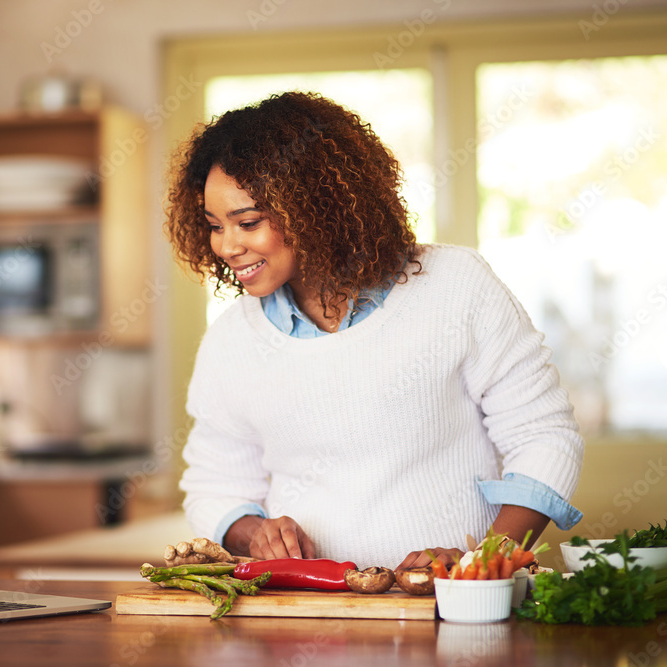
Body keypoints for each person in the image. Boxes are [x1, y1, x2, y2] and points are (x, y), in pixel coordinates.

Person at [164, 91, 584, 571]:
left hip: (454, 607)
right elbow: (214, 488)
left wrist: (482, 564)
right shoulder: (232, 341)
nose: (227, 245)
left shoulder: (456, 285)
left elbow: (544, 437)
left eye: (249, 222)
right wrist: (258, 533)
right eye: (215, 225)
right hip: (310, 615)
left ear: (318, 206)